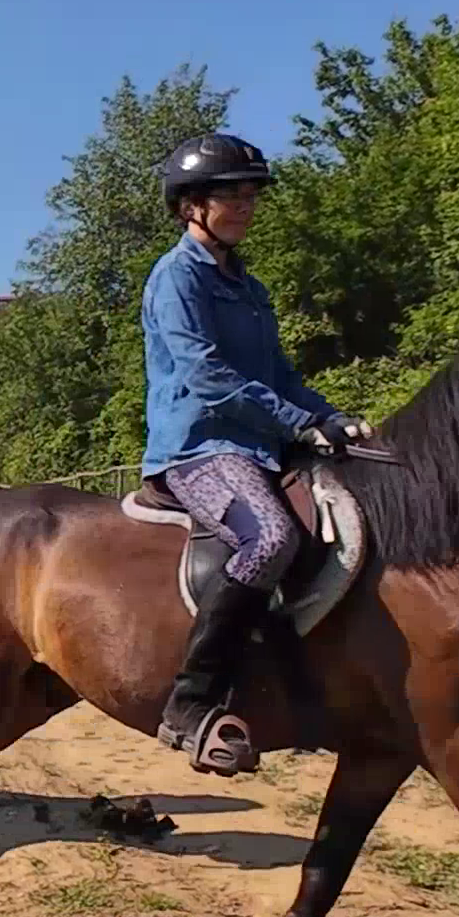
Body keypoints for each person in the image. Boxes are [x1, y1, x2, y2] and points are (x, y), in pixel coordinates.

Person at [141, 131, 368, 774]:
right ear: (191, 206)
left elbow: (279, 372)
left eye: (250, 194)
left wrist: (329, 416)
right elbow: (208, 376)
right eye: (227, 195)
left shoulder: (250, 286)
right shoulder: (176, 278)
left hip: (259, 444)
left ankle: (301, 687)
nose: (243, 205)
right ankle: (189, 706)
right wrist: (299, 421)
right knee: (268, 538)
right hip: (199, 447)